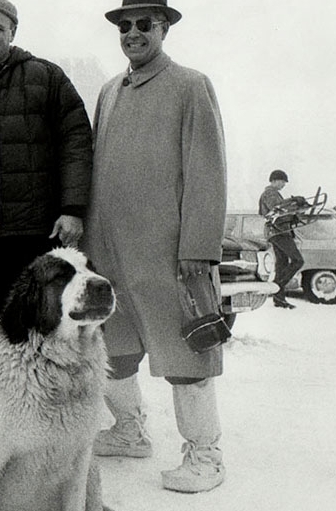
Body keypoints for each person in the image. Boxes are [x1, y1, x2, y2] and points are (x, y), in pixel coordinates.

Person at [82, 0, 228, 493]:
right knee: (113, 353)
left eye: (145, 24)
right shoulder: (108, 91)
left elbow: (207, 172)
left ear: (164, 28)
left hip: (170, 257)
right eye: (125, 25)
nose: (133, 33)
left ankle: (205, 455)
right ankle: (129, 429)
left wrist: (198, 247)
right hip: (111, 256)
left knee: (187, 358)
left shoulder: (190, 85)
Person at [0, 0, 93, 348]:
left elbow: (76, 141)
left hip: (34, 233)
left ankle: (42, 400)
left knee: (41, 328)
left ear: (13, 32)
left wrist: (72, 209)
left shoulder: (46, 77)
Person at [259, 169, 306, 309]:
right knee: (298, 260)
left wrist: (295, 213)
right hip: (278, 233)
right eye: (282, 181)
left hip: (279, 232)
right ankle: (276, 286)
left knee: (282, 264)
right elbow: (277, 210)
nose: (284, 184)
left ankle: (279, 299)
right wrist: (293, 202)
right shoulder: (269, 194)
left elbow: (283, 213)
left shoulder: (275, 194)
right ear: (274, 180)